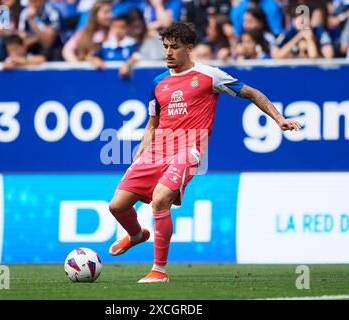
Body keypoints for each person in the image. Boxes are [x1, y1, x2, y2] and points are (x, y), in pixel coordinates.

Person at [107, 22, 301, 283]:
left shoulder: (210, 75)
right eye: (165, 47)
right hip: (157, 150)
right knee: (117, 206)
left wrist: (279, 119)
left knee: (160, 199)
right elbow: (153, 123)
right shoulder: (158, 83)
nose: (168, 53)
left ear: (189, 49)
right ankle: (138, 235)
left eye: (174, 48)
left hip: (189, 149)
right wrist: (142, 150)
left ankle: (159, 271)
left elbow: (252, 93)